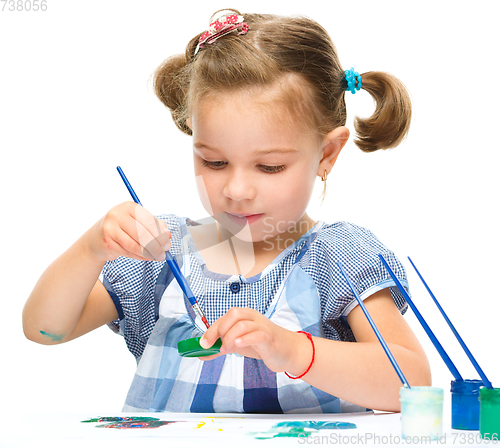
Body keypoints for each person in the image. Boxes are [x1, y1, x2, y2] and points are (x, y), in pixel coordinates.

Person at [23, 9, 431, 414]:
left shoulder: (339, 257)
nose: (236, 190)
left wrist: (291, 351)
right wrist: (91, 249)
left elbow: (411, 381)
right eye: (214, 162)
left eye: (270, 166)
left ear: (327, 154)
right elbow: (45, 330)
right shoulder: (161, 252)